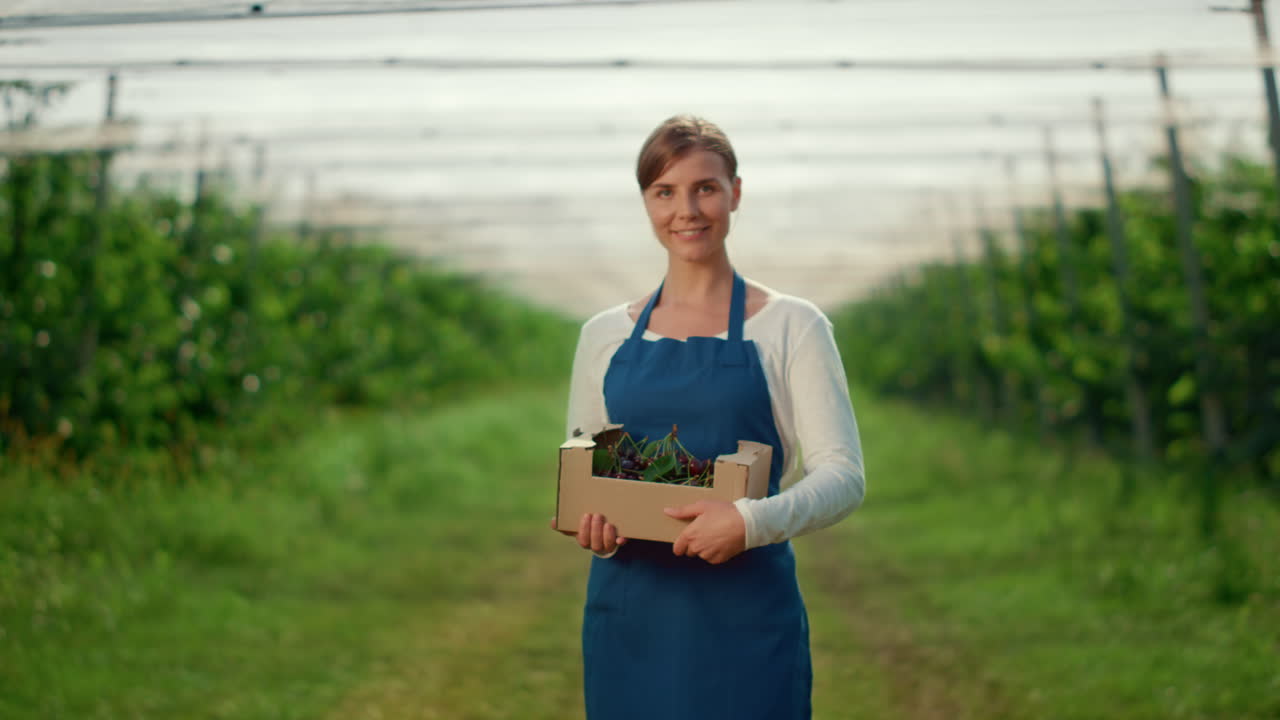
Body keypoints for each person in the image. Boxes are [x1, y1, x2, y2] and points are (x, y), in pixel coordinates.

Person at [553, 114, 865, 720]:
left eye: (705, 188)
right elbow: (588, 467)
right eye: (664, 192)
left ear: (735, 194)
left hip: (745, 614)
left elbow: (843, 475)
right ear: (646, 202)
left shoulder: (791, 325)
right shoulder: (603, 335)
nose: (686, 210)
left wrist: (748, 522)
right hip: (631, 615)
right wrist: (593, 527)